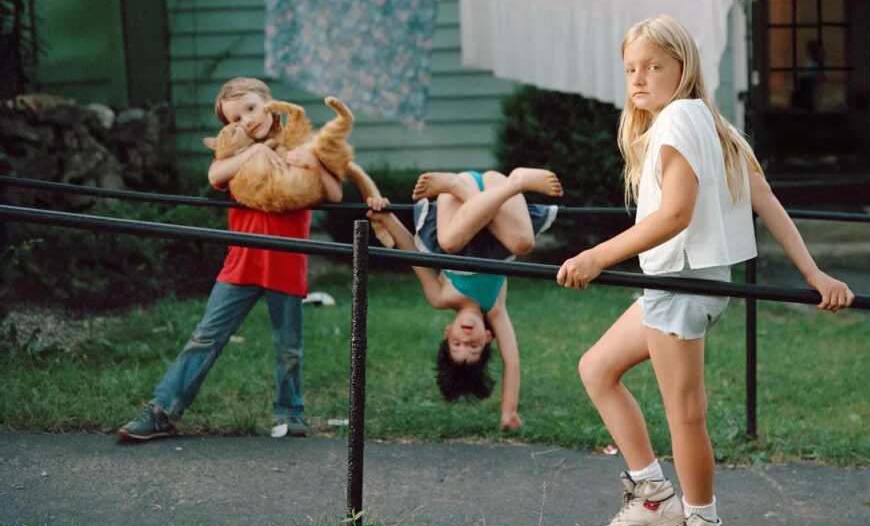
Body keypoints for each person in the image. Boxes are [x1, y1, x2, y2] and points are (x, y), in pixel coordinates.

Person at [557, 16, 854, 526]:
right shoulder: (710, 124)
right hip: (683, 283)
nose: (639, 78)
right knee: (597, 367)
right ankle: (651, 496)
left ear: (683, 68)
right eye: (631, 69)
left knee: (685, 413)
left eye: (654, 66)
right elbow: (766, 199)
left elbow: (675, 214)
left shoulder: (679, 119)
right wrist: (814, 274)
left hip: (683, 284)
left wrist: (596, 256)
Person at [117, 77, 343, 442]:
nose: (246, 121)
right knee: (205, 337)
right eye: (235, 118)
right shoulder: (234, 150)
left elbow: (335, 193)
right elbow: (214, 175)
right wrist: (254, 154)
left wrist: (313, 162)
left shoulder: (299, 143)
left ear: (270, 103)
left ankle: (290, 414)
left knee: (289, 348)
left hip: (286, 266)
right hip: (241, 265)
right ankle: (163, 410)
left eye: (251, 108)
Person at [367, 168, 562, 430]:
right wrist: (509, 411)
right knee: (522, 244)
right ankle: (518, 181)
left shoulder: (440, 297)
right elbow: (512, 361)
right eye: (473, 347)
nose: (466, 338)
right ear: (488, 338)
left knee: (449, 243)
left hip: (456, 204)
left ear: (447, 332)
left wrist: (386, 218)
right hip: (497, 187)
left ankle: (458, 185)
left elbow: (412, 253)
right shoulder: (495, 309)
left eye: (457, 343)